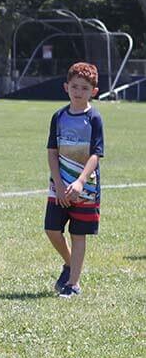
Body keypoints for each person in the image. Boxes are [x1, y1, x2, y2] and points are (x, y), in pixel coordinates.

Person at [45, 62, 104, 298]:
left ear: (94, 92)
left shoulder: (94, 118)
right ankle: (70, 264)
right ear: (66, 87)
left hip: (85, 189)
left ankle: (73, 283)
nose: (79, 92)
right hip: (59, 186)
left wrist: (80, 182)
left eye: (85, 88)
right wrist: (58, 183)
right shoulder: (58, 116)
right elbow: (52, 151)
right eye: (75, 86)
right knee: (51, 229)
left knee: (78, 235)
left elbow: (96, 154)